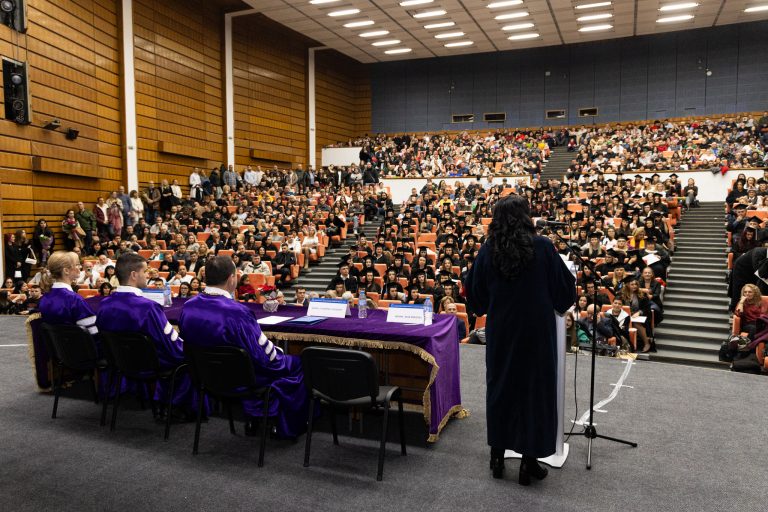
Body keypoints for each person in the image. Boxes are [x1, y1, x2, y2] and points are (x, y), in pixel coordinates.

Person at [465, 195, 575, 485]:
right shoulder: (543, 247)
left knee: (501, 388)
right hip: (536, 334)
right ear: (526, 216)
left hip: (502, 331)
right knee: (534, 392)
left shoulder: (489, 249)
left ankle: (497, 457)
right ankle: (528, 462)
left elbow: (475, 295)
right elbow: (564, 293)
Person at [179, 256, 310, 438]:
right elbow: (264, 357)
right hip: (241, 379)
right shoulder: (237, 312)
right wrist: (281, 353)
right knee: (298, 363)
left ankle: (253, 418)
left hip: (206, 376)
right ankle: (283, 423)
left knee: (244, 363)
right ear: (231, 278)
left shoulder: (188, 307)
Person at [95, 252, 195, 417]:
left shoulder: (104, 304)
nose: (148, 275)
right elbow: (170, 344)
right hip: (148, 364)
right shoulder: (148, 307)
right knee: (188, 358)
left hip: (120, 361)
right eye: (145, 271)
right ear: (134, 275)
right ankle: (178, 407)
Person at [38, 251, 98, 334]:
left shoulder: (44, 298)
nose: (80, 267)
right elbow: (93, 334)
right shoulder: (74, 299)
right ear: (66, 270)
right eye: (77, 265)